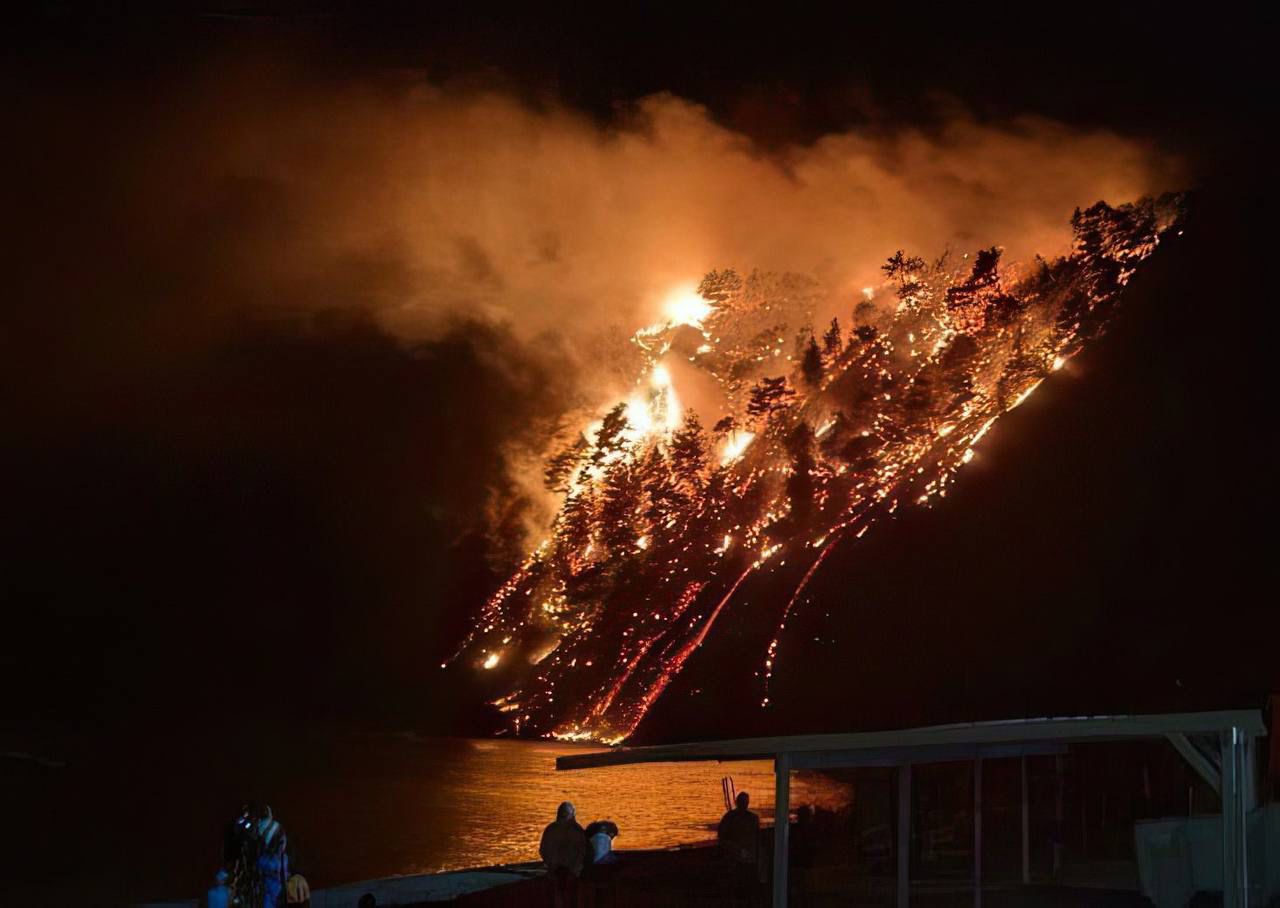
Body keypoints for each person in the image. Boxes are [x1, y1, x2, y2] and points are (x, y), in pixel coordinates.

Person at [539, 801, 586, 907]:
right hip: (571, 873)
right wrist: (575, 871)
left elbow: (543, 851)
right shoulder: (577, 830)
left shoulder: (550, 829)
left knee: (557, 899)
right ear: (572, 814)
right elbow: (582, 853)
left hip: (554, 872)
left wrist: (552, 865)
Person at [718, 791, 760, 904]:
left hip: (744, 860)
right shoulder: (751, 818)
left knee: (742, 889)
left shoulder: (748, 818)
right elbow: (722, 837)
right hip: (739, 859)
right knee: (740, 889)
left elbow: (721, 836)